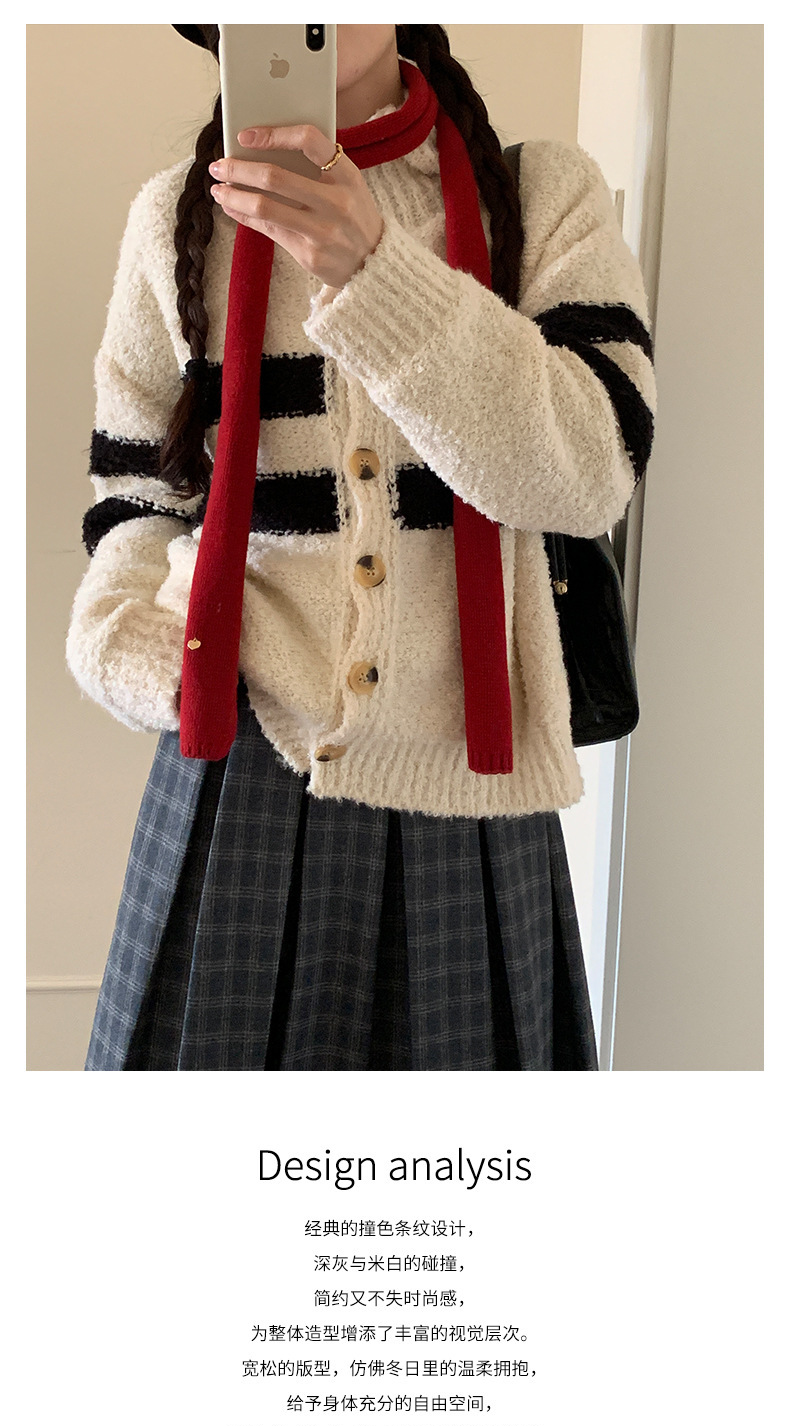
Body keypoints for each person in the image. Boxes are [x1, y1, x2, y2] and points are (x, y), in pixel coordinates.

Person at [66, 23, 656, 1072]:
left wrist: (376, 270)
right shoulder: (177, 217)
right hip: (235, 771)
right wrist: (123, 643)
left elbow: (590, 474)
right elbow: (136, 490)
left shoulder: (543, 194)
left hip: (469, 794)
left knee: (457, 1171)